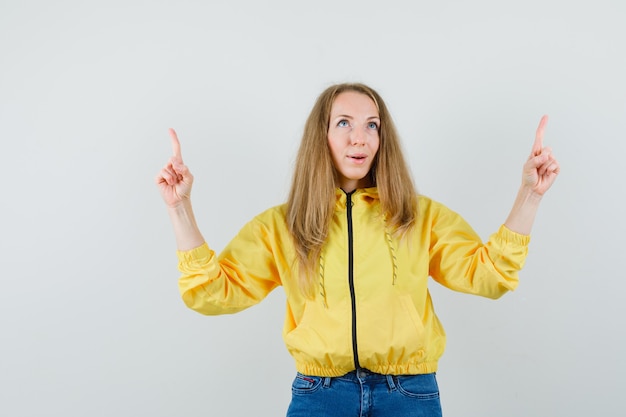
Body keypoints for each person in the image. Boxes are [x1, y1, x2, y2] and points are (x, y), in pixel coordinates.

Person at [155, 83, 559, 417]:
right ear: (323, 136)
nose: (359, 137)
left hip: (409, 395)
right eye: (344, 122)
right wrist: (179, 208)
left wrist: (530, 195)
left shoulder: (420, 217)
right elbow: (211, 293)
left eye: (372, 125)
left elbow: (489, 277)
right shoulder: (283, 225)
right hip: (320, 396)